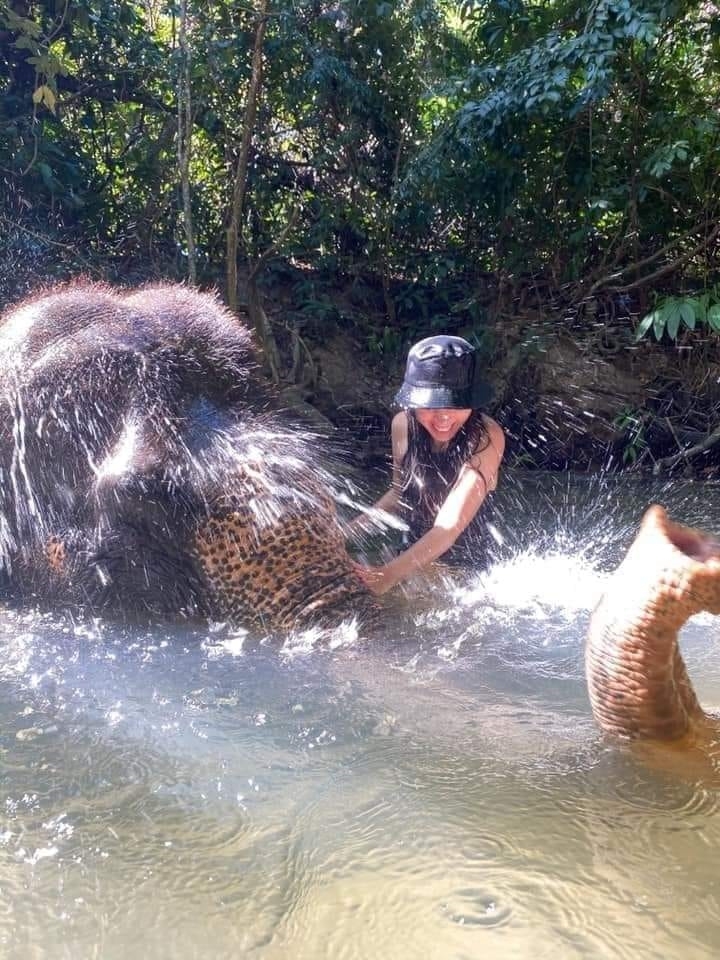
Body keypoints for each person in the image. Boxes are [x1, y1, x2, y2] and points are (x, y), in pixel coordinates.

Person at [352, 335, 505, 596]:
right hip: (408, 560)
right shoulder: (403, 425)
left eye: (456, 403)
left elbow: (448, 527)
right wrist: (345, 534)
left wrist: (385, 577)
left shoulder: (487, 437)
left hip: (469, 580)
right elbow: (400, 494)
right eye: (431, 405)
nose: (443, 417)